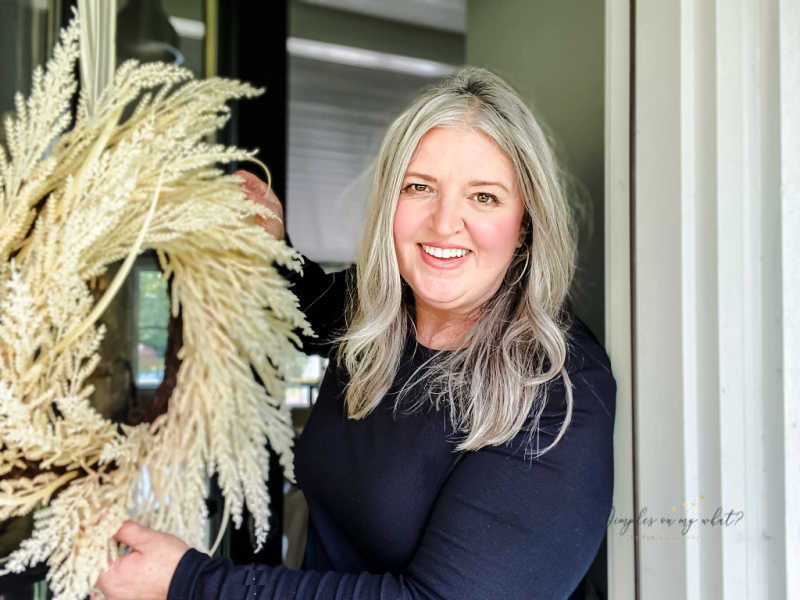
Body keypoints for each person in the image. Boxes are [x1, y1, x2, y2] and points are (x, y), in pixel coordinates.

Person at [95, 66, 616, 600]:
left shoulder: (560, 389)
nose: (443, 223)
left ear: (525, 220)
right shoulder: (382, 310)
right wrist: (267, 246)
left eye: (484, 197)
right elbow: (304, 309)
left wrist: (191, 584)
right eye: (419, 187)